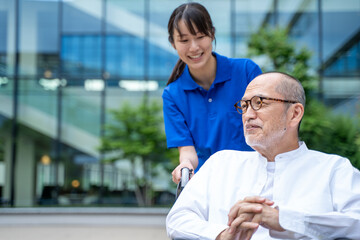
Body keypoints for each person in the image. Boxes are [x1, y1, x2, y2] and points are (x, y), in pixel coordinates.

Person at [166, 72, 360, 240]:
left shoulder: (333, 169)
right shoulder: (221, 163)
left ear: (294, 113)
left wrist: (284, 220)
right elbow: (178, 219)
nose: (248, 115)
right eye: (244, 105)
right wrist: (222, 235)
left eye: (259, 103)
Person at [163, 2, 262, 183]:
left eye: (200, 37)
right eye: (184, 40)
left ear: (212, 34)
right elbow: (187, 152)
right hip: (209, 185)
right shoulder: (172, 95)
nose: (193, 47)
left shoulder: (246, 72)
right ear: (173, 43)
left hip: (255, 178)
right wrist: (185, 166)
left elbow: (268, 129)